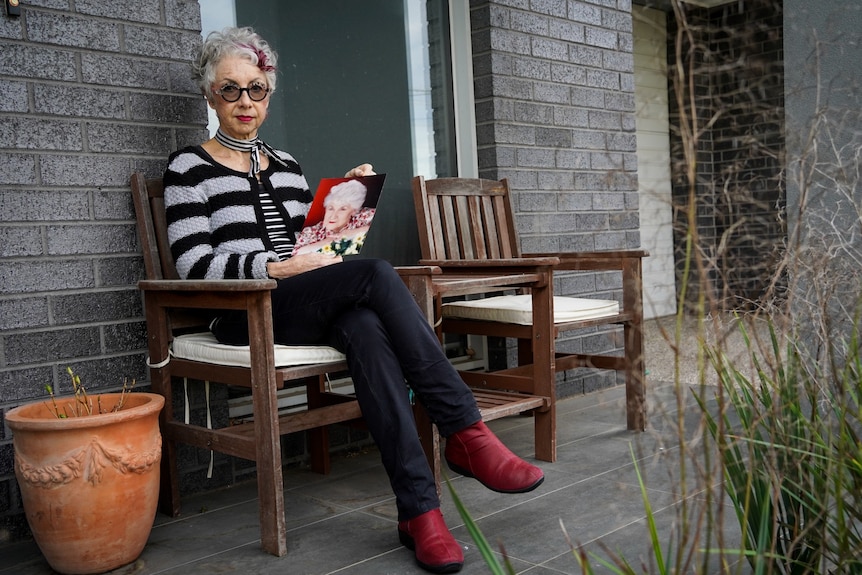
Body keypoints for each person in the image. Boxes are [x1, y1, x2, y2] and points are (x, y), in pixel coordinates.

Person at [163, 26, 543, 574]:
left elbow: (315, 251)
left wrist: (346, 198)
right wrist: (275, 267)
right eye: (231, 89)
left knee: (365, 322)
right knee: (376, 277)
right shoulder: (188, 169)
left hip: (297, 303)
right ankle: (466, 431)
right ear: (209, 93)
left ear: (268, 94)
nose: (245, 102)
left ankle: (420, 512)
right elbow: (194, 267)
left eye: (257, 89)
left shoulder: (287, 167)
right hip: (242, 313)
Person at [293, 178, 375, 255]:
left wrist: (350, 233)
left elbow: (380, 223)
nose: (333, 215)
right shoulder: (311, 232)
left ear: (353, 211)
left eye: (342, 209)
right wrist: (328, 241)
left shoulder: (361, 218)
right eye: (331, 208)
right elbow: (295, 256)